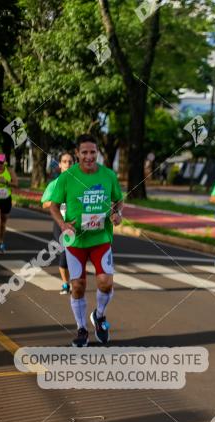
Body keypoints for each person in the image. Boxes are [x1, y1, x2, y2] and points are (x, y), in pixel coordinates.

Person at [47, 135, 124, 347]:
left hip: (101, 239)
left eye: (92, 152)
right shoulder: (67, 177)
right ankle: (82, 329)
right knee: (78, 285)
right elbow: (53, 206)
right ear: (77, 154)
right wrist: (63, 225)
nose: (89, 156)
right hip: (76, 242)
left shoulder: (108, 175)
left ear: (97, 152)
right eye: (84, 152)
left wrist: (118, 214)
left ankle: (99, 316)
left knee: (106, 282)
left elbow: (118, 200)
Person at [41, 152, 75, 294]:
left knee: (76, 253)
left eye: (70, 161)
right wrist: (57, 201)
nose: (67, 164)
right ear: (60, 164)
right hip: (60, 223)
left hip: (76, 223)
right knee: (64, 253)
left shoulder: (79, 183)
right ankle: (66, 284)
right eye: (64, 161)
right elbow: (44, 204)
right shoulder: (54, 185)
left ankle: (76, 281)